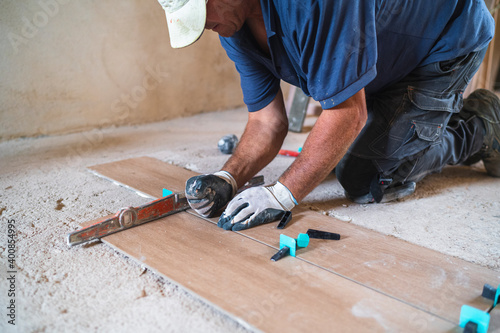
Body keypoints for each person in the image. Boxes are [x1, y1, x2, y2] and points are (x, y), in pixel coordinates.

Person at [157, 0, 499, 231]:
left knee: (363, 178)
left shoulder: (311, 5)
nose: (206, 27)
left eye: (204, 12)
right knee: (331, 152)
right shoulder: (233, 26)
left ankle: (481, 126)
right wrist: (228, 177)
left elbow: (348, 113)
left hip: (440, 45)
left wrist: (281, 194)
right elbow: (267, 120)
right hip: (381, 59)